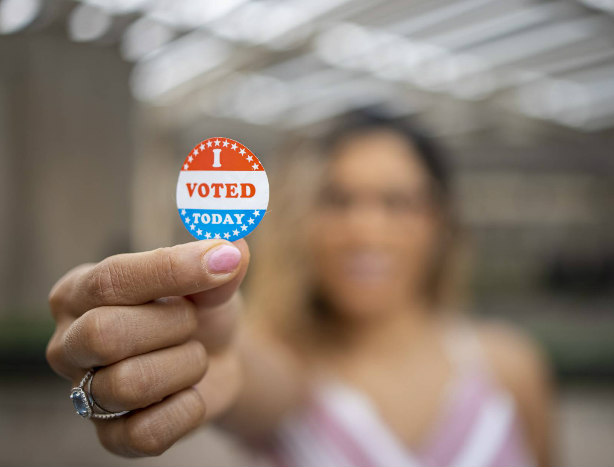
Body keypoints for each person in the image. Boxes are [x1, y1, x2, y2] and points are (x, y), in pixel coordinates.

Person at [46, 111, 554, 466]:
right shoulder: (286, 365)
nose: (365, 229)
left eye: (397, 202)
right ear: (303, 221)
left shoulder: (510, 367)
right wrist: (207, 344)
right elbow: (245, 374)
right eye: (337, 200)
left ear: (440, 222)